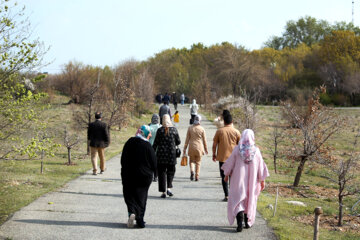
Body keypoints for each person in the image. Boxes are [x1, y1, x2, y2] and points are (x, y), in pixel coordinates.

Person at [221, 129, 269, 232]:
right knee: (250, 197)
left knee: (238, 198)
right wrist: (262, 180)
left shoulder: (237, 150)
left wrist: (226, 175)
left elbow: (230, 163)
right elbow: (261, 167)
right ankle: (247, 221)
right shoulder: (256, 151)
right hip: (252, 182)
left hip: (238, 180)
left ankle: (240, 221)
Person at [121, 125, 156, 228]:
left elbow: (123, 159)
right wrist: (155, 173)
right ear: (145, 133)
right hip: (144, 176)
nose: (150, 135)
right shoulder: (147, 146)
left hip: (128, 174)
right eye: (149, 133)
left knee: (130, 194)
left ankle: (131, 212)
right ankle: (140, 219)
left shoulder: (129, 142)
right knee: (142, 196)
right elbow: (154, 162)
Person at [212, 113, 241, 201]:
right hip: (234, 159)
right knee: (232, 177)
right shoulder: (236, 132)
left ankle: (226, 195)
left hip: (222, 158)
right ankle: (232, 195)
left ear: (224, 122)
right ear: (232, 122)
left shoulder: (219, 131)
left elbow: (214, 144)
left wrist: (214, 154)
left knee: (224, 176)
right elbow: (240, 146)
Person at [153, 114, 181, 198]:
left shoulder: (159, 130)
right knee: (171, 171)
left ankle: (163, 192)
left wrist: (152, 152)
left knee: (161, 173)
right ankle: (169, 188)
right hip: (171, 155)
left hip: (161, 155)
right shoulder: (174, 130)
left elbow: (156, 143)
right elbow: (178, 141)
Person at [183, 115, 208, 181]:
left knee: (191, 161)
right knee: (198, 162)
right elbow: (204, 140)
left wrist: (185, 148)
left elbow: (187, 139)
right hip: (199, 147)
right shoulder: (202, 129)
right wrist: (206, 149)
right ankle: (197, 176)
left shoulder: (190, 128)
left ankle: (192, 171)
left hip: (191, 146)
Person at [149, 114, 161, 182]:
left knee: (150, 161)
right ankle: (156, 176)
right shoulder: (159, 127)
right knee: (156, 162)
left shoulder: (149, 127)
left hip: (149, 145)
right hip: (158, 147)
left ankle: (150, 175)